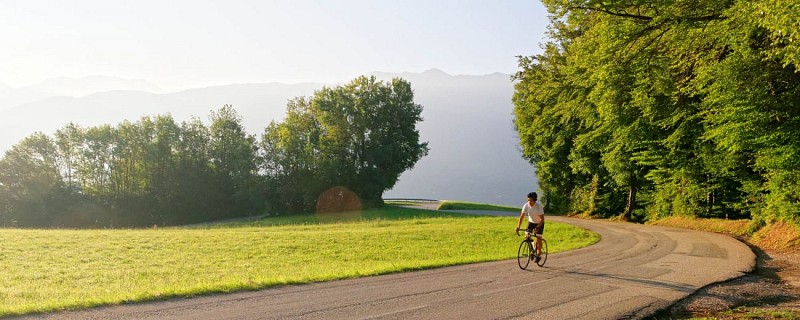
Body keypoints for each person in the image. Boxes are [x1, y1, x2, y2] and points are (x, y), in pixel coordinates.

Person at [515, 192, 544, 262]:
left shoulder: (539, 206)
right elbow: (522, 217)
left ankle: (538, 254)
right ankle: (533, 250)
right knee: (527, 236)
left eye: (530, 200)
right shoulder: (526, 205)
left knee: (538, 238)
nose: (529, 202)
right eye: (528, 200)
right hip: (531, 222)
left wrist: (537, 228)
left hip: (539, 223)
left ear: (534, 200)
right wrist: (518, 226)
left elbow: (542, 219)